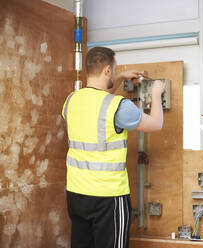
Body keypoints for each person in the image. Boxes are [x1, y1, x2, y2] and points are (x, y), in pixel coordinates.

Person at [62, 47, 165, 248]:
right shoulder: (119, 106)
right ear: (108, 70)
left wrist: (119, 78)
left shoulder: (70, 101)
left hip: (76, 194)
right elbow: (156, 124)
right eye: (115, 70)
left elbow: (97, 99)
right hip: (108, 198)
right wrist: (156, 93)